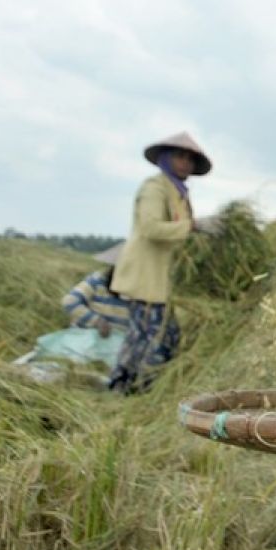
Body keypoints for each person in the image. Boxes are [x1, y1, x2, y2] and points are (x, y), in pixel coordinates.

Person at [106, 131, 215, 394]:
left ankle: (143, 386)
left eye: (190, 159)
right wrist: (194, 226)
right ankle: (125, 387)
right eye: (180, 157)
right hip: (146, 276)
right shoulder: (154, 188)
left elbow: (180, 229)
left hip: (161, 278)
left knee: (164, 335)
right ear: (166, 158)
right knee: (146, 337)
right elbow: (151, 227)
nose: (186, 163)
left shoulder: (178, 192)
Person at [60, 242, 130, 339]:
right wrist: (97, 321)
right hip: (85, 340)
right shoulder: (97, 280)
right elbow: (70, 301)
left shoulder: (143, 291)